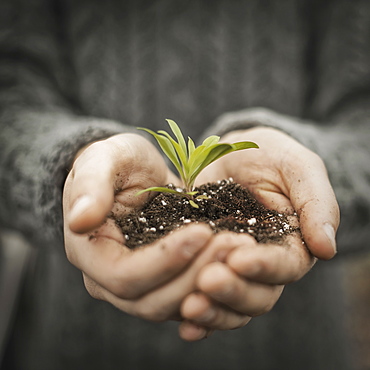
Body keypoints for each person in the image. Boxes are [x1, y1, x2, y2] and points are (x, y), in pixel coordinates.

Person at [0, 0, 369, 369]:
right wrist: (66, 169)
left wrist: (309, 175)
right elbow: (11, 95)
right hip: (70, 345)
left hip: (297, 350)